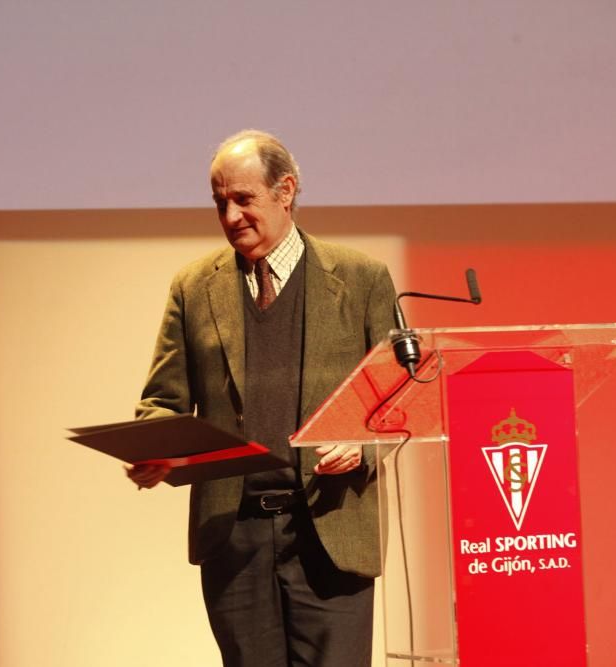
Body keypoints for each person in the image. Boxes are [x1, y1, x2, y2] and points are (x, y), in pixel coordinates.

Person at [128, 129, 397, 666]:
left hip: (330, 523)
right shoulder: (193, 287)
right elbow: (163, 399)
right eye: (219, 203)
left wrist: (363, 446)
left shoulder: (362, 279)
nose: (230, 217)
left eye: (243, 200)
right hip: (235, 536)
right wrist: (154, 444)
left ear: (286, 190)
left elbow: (395, 399)